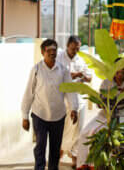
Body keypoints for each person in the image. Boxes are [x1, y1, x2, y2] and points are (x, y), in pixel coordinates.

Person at [21, 39, 79, 170]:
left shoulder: (63, 70)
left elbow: (70, 90)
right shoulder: (36, 70)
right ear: (43, 52)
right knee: (40, 147)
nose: (52, 53)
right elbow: (29, 92)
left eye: (54, 50)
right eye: (49, 50)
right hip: (39, 114)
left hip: (58, 116)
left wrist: (74, 108)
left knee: (55, 149)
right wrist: (24, 116)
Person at [77, 61, 124, 167]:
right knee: (84, 133)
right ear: (114, 70)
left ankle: (96, 165)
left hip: (122, 117)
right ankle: (83, 164)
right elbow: (100, 102)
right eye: (119, 69)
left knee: (97, 133)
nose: (122, 72)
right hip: (104, 115)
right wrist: (102, 101)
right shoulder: (106, 82)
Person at [56, 36, 92, 168]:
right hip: (63, 100)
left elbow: (89, 77)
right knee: (65, 129)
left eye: (77, 48)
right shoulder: (59, 57)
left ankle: (75, 155)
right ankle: (60, 151)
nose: (75, 51)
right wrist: (76, 75)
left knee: (79, 129)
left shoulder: (81, 59)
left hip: (79, 100)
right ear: (67, 45)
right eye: (73, 48)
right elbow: (60, 75)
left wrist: (84, 76)